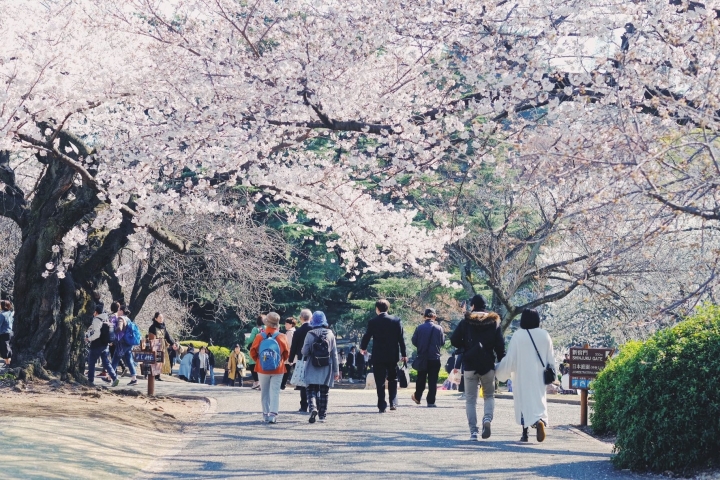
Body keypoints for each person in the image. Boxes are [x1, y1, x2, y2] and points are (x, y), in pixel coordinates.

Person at [450, 294, 505, 441]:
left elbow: (454, 340)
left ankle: (473, 432)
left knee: (470, 400)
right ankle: (487, 419)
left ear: (473, 306)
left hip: (470, 364)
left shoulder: (466, 321)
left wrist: (465, 346)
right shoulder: (494, 322)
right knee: (489, 396)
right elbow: (500, 345)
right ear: (485, 307)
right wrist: (501, 360)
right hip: (487, 364)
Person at [496, 309, 555, 443]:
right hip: (539, 376)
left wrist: (499, 369)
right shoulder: (545, 335)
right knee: (538, 399)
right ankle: (539, 421)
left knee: (523, 402)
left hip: (522, 375)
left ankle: (525, 433)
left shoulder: (518, 336)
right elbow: (551, 358)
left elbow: (511, 358)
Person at [360, 299, 407, 413]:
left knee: (379, 380)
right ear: (388, 308)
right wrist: (404, 354)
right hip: (392, 355)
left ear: (377, 309)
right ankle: (393, 402)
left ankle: (382, 405)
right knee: (393, 379)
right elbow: (401, 339)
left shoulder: (373, 321)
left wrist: (363, 348)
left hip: (378, 355)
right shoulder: (396, 320)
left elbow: (367, 336)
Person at [249, 312, 290, 424]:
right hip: (278, 369)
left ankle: (266, 414)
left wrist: (259, 361)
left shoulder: (259, 336)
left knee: (264, 392)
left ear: (266, 323)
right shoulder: (282, 337)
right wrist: (280, 361)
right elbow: (286, 353)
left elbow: (252, 352)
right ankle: (273, 415)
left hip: (262, 368)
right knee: (275, 391)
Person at [301, 311, 340, 423]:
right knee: (324, 391)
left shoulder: (310, 333)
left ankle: (313, 408)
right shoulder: (330, 334)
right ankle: (322, 416)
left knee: (311, 389)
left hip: (312, 365)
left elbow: (304, 351)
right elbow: (334, 355)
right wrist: (336, 371)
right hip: (326, 366)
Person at [411, 308, 445, 407]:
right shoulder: (439, 328)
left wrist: (421, 346)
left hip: (422, 357)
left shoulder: (419, 328)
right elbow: (442, 342)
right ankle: (431, 401)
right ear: (434, 316)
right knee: (433, 380)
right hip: (435, 358)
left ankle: (417, 396)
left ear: (424, 316)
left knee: (420, 378)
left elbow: (414, 341)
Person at [85, 303, 119, 387]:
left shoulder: (96, 320)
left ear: (96, 312)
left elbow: (97, 334)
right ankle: (114, 377)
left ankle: (90, 380)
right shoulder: (106, 318)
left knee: (91, 361)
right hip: (105, 344)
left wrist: (88, 339)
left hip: (97, 344)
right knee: (106, 362)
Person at [289, 309, 312, 413]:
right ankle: (313, 404)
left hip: (301, 359)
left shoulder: (298, 331)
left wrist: (290, 359)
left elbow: (293, 347)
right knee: (312, 382)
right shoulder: (313, 329)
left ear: (301, 318)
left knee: (303, 383)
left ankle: (303, 406)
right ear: (310, 318)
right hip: (312, 359)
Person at [111, 306, 139, 386]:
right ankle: (134, 379)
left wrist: (113, 333)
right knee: (130, 361)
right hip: (128, 343)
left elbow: (119, 328)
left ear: (122, 311)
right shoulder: (128, 319)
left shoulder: (121, 318)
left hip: (122, 343)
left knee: (115, 360)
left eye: (119, 310)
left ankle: (110, 377)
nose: (118, 311)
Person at [148, 312, 175, 380]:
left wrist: (173, 343)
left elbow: (167, 337)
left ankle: (158, 376)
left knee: (160, 360)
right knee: (155, 361)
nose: (161, 319)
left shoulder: (163, 327)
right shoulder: (152, 327)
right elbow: (150, 337)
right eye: (160, 317)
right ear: (156, 318)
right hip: (155, 345)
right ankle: (153, 375)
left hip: (162, 346)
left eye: (162, 318)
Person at [246, 315, 264, 390]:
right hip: (264, 349)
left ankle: (257, 382)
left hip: (256, 349)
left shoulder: (255, 329)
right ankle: (262, 383)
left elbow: (251, 340)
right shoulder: (267, 328)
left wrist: (247, 340)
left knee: (252, 365)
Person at [281, 317, 296, 390]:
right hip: (292, 354)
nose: (285, 325)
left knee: (286, 369)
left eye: (287, 324)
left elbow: (289, 344)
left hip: (289, 353)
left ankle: (283, 384)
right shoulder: (292, 331)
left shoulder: (290, 333)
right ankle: (283, 384)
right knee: (289, 369)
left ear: (291, 324)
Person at [0, 300, 14, 366]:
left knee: (4, 348)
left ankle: (7, 363)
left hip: (3, 333)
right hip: (10, 332)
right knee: (9, 347)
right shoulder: (10, 313)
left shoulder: (2, 315)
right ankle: (8, 362)